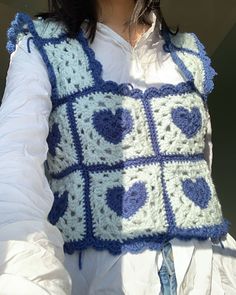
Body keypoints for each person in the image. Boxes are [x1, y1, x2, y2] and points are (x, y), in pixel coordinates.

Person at [0, 0, 236, 294]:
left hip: (208, 277)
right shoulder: (41, 47)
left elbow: (201, 174)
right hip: (98, 280)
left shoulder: (188, 55)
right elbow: (14, 178)